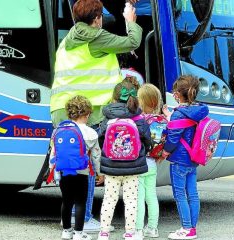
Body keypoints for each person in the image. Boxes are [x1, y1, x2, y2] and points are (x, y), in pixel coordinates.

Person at [50, 0, 142, 232]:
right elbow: (133, 41)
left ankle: (69, 217)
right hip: (86, 111)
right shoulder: (95, 37)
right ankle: (84, 218)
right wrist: (130, 21)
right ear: (97, 18)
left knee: (70, 165)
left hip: (62, 108)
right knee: (87, 164)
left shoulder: (69, 38)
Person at [98, 79, 151, 240]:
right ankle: (129, 232)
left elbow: (101, 139)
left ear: (114, 98)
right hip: (133, 166)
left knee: (109, 199)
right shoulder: (138, 118)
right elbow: (147, 140)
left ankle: (104, 232)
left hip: (111, 165)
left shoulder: (108, 118)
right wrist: (142, 152)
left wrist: (106, 154)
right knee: (131, 200)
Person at [159, 75, 209, 240]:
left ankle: (186, 228)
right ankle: (192, 228)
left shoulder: (179, 114)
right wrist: (169, 115)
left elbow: (173, 137)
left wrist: (165, 152)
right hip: (193, 158)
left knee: (180, 194)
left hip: (180, 159)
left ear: (178, 94)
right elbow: (183, 127)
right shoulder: (197, 111)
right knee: (193, 194)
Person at [50, 95, 104, 240]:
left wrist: (51, 169)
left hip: (63, 172)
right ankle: (79, 234)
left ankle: (66, 231)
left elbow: (54, 152)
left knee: (66, 201)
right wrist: (100, 173)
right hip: (82, 172)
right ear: (87, 114)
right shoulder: (91, 133)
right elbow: (96, 156)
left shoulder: (58, 130)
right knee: (81, 202)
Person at [135, 84, 164, 239]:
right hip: (153, 162)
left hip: (139, 162)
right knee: (151, 196)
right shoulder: (162, 120)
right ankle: (152, 228)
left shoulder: (139, 120)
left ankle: (138, 229)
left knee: (139, 197)